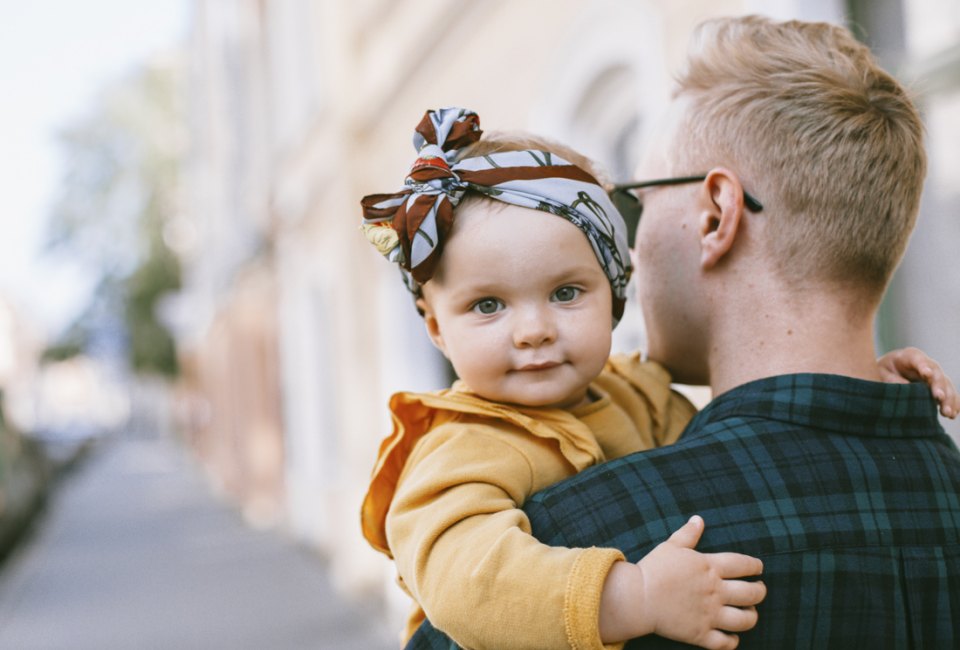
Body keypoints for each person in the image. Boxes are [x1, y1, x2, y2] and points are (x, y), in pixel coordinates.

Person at [407, 15, 960, 649]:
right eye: (488, 306)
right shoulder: (944, 484)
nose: (633, 254)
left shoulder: (576, 540)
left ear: (715, 216)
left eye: (637, 203)